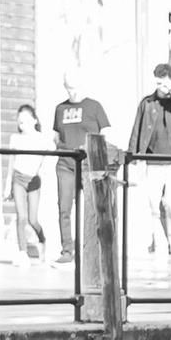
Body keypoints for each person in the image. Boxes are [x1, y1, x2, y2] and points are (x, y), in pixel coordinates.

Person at [128, 56, 171, 262]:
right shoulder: (147, 103)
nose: (161, 86)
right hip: (153, 161)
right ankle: (161, 247)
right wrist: (133, 156)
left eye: (165, 81)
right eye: (158, 82)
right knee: (154, 207)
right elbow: (137, 129)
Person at [50, 74, 109, 258]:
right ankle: (67, 250)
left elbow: (105, 133)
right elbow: (56, 135)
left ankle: (94, 249)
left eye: (76, 87)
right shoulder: (60, 108)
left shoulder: (94, 106)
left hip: (89, 163)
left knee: (93, 207)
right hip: (66, 164)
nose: (73, 92)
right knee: (64, 207)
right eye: (69, 87)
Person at [6, 100, 47, 260]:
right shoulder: (15, 138)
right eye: (21, 122)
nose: (24, 125)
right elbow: (11, 162)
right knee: (21, 217)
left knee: (32, 219)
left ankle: (42, 240)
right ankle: (22, 252)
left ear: (35, 121)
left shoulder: (41, 139)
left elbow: (50, 156)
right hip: (18, 179)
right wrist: (7, 184)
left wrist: (43, 169)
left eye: (27, 121)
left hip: (34, 181)